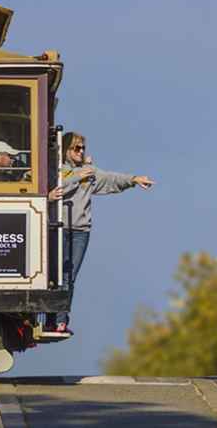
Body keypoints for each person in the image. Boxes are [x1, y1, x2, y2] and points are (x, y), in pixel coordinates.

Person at [46, 132, 154, 334]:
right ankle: (50, 319)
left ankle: (60, 320)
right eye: (76, 148)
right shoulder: (57, 170)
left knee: (69, 276)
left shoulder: (89, 171)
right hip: (58, 228)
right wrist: (75, 179)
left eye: (82, 148)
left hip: (80, 231)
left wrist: (133, 179)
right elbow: (53, 187)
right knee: (55, 275)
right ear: (65, 150)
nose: (80, 152)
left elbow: (110, 179)